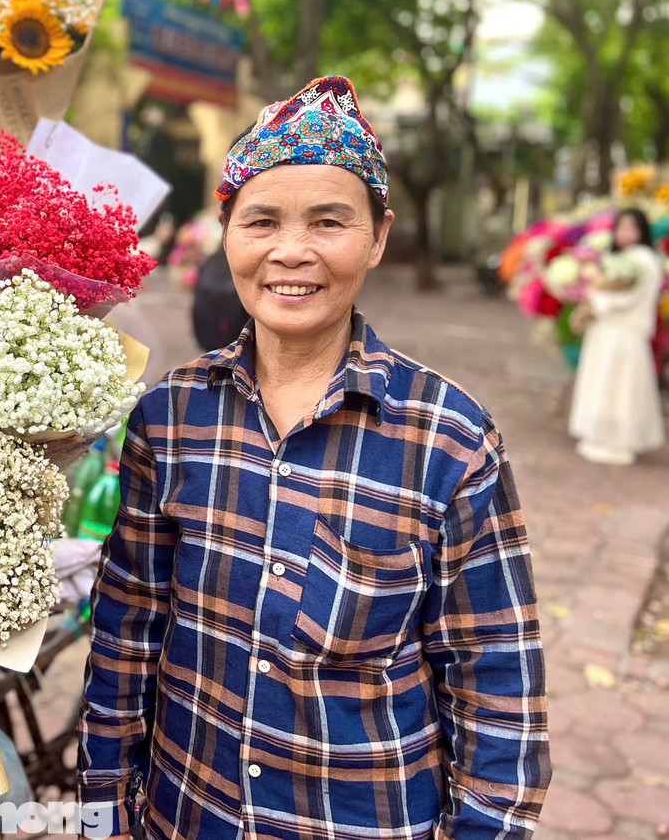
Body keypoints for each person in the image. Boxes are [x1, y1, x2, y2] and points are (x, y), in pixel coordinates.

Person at [78, 77, 550, 840]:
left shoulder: (450, 439)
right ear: (226, 230)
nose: (291, 251)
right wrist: (102, 815)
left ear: (378, 236)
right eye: (261, 219)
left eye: (330, 221)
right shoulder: (168, 416)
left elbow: (500, 690)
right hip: (184, 814)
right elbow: (127, 639)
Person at [568, 207, 666, 465]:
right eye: (621, 227)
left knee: (620, 387)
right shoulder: (618, 258)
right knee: (603, 383)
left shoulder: (644, 260)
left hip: (624, 332)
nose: (625, 233)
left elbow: (628, 299)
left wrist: (594, 297)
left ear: (642, 231)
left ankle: (619, 441)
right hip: (607, 330)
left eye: (632, 227)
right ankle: (600, 435)